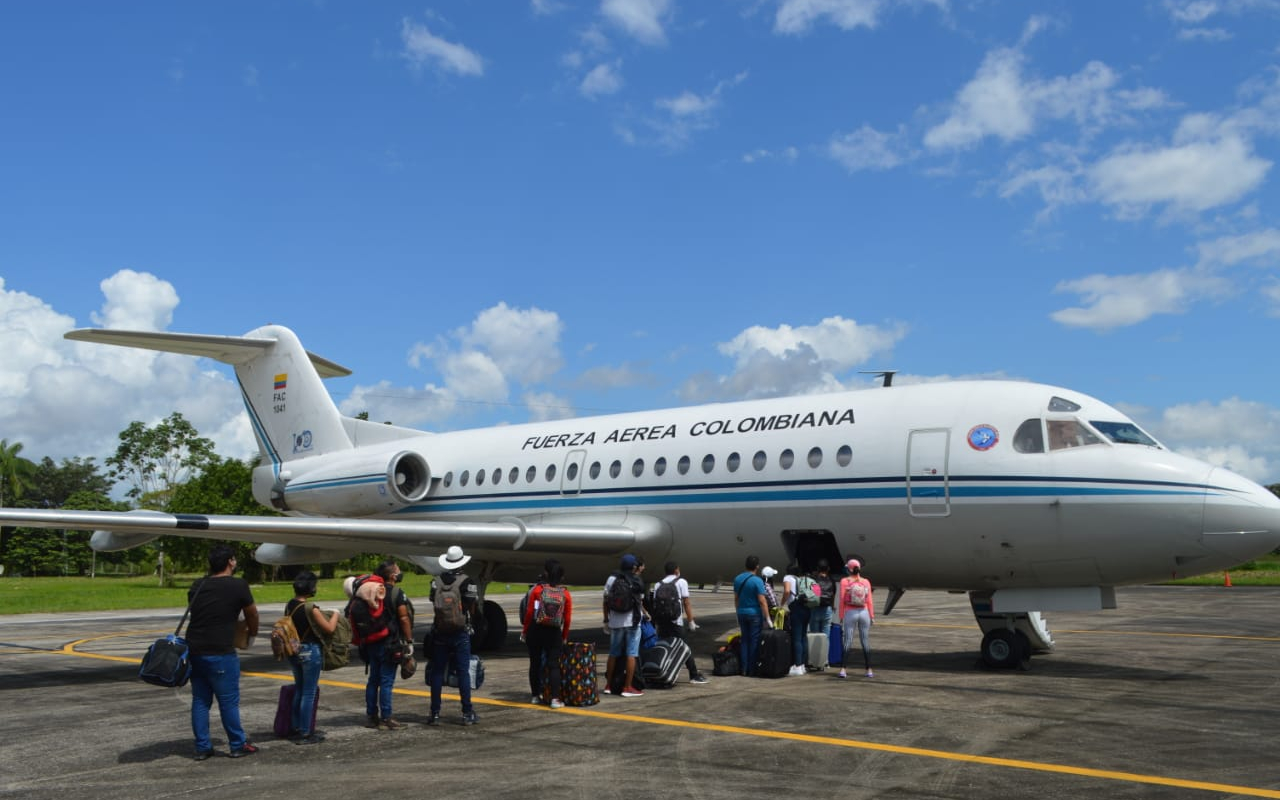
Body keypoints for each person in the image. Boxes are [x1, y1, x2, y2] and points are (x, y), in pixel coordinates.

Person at [185, 544, 259, 760]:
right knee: (228, 701)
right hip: (220, 651)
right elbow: (252, 613)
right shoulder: (238, 586)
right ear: (230, 562)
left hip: (195, 648)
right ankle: (237, 744)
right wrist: (251, 634)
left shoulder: (198, 585)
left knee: (200, 700)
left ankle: (202, 747)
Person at [283, 570, 340, 744]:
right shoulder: (311, 608)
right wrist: (336, 614)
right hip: (309, 650)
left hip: (294, 650)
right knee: (309, 692)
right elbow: (329, 628)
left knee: (299, 689)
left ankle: (295, 727)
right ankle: (306, 732)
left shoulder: (290, 604)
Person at [428, 545, 480, 725]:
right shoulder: (468, 582)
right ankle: (467, 712)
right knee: (463, 672)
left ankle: (434, 713)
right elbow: (471, 605)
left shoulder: (436, 582)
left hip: (440, 631)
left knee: (437, 672)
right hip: (460, 631)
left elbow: (432, 601)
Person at [362, 558, 413, 731]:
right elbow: (404, 618)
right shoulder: (396, 593)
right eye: (398, 570)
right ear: (392, 576)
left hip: (372, 642)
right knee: (386, 682)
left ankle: (371, 717)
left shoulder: (370, 591)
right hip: (389, 644)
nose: (400, 573)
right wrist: (409, 641)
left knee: (373, 681)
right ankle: (386, 718)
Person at [521, 558, 573, 707]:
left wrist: (525, 631)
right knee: (553, 665)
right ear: (562, 577)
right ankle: (555, 699)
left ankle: (535, 696)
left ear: (545, 573)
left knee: (535, 663)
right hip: (554, 632)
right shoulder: (565, 594)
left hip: (536, 630)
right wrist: (564, 636)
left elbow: (530, 613)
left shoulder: (538, 591)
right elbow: (567, 619)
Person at [651, 561, 708, 684]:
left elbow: (655, 605)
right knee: (685, 648)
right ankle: (693, 675)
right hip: (675, 622)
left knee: (661, 647)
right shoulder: (681, 582)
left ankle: (659, 672)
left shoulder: (657, 584)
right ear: (676, 570)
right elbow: (686, 603)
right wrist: (691, 621)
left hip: (662, 622)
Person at [603, 554, 645, 697]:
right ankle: (627, 688)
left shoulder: (612, 579)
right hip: (632, 622)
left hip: (615, 621)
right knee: (631, 654)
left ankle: (608, 685)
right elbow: (640, 599)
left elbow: (606, 600)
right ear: (634, 566)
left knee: (613, 654)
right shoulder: (636, 579)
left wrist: (606, 620)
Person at [732, 556, 771, 677]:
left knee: (744, 640)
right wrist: (768, 618)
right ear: (757, 566)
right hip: (754, 614)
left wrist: (737, 612)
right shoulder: (757, 581)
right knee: (754, 641)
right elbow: (762, 601)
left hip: (742, 613)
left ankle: (744, 669)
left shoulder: (738, 579)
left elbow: (736, 598)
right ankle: (752, 669)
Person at [836, 558, 875, 678]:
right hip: (864, 612)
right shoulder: (866, 581)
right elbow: (869, 601)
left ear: (848, 568)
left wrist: (841, 615)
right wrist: (872, 616)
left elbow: (842, 600)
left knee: (848, 640)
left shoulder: (844, 581)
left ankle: (843, 669)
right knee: (865, 641)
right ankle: (869, 670)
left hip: (850, 612)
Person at [782, 562, 811, 676]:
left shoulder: (788, 577)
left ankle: (797, 666)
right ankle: (803, 665)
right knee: (803, 637)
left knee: (797, 638)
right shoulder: (801, 579)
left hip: (796, 609)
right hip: (806, 609)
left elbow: (787, 591)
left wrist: (782, 603)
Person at [808, 558, 835, 638]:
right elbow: (833, 595)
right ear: (828, 568)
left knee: (814, 636)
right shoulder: (831, 579)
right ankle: (825, 650)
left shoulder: (813, 579)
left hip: (815, 608)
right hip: (827, 609)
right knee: (826, 636)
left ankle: (815, 651)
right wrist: (832, 606)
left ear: (817, 568)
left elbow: (812, 594)